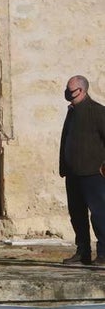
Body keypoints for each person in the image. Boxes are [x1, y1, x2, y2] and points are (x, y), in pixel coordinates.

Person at [60, 75, 105, 266]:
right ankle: (83, 252)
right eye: (67, 91)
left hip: (93, 174)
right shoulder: (72, 112)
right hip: (73, 174)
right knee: (77, 214)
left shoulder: (98, 112)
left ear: (83, 90)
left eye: (72, 91)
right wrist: (64, 167)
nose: (69, 95)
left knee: (99, 214)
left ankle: (103, 254)